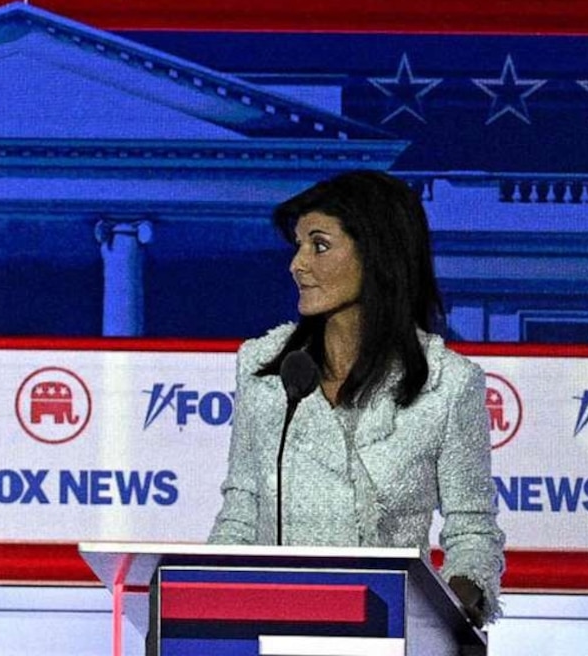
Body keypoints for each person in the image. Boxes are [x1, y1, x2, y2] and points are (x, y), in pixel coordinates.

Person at [209, 170, 504, 626]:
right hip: (275, 631)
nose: (297, 264)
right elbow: (241, 515)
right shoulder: (264, 368)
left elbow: (472, 533)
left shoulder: (449, 384)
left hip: (390, 632)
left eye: (319, 245)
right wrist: (208, 605)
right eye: (298, 245)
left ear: (377, 253)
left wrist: (458, 605)